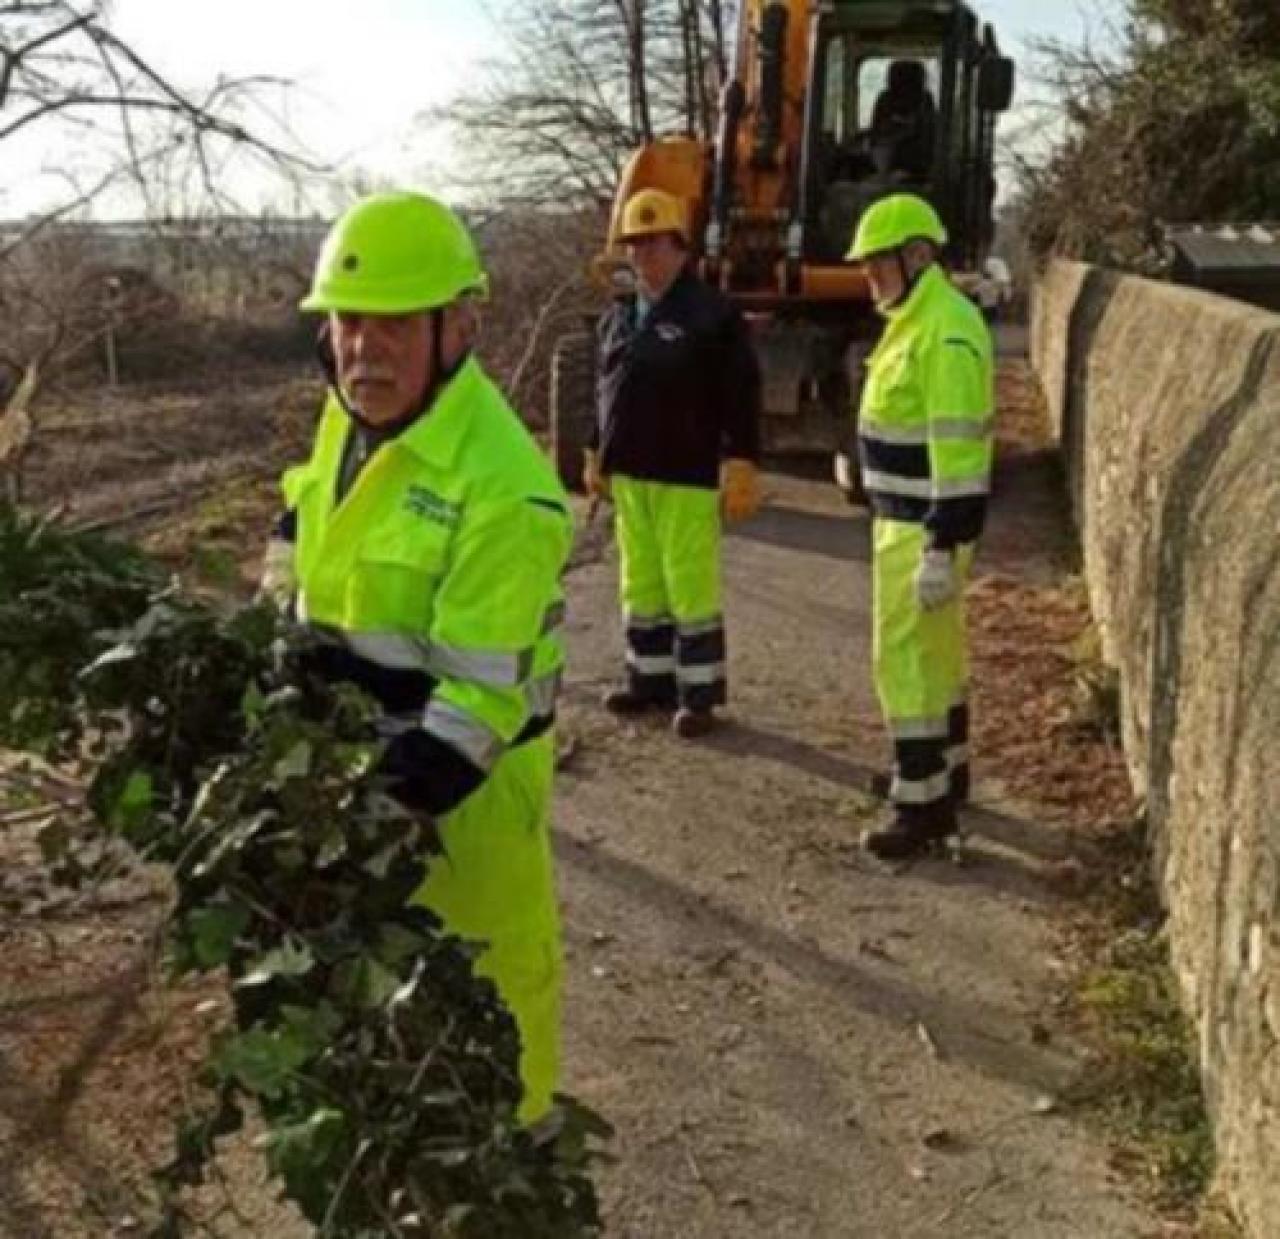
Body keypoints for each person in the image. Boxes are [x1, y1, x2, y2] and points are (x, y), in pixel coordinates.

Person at [262, 191, 573, 1122]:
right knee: (377, 1066)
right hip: (357, 784)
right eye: (350, 321)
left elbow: (470, 716)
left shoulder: (505, 490)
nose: (366, 347)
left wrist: (350, 829)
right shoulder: (351, 417)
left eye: (396, 322)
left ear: (460, 325)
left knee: (485, 1058)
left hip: (460, 818)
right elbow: (309, 522)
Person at [846, 194, 994, 860]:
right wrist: (862, 472)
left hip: (921, 533)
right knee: (935, 660)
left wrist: (940, 544)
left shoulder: (944, 329)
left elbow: (959, 456)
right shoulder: (916, 317)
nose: (869, 277)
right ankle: (942, 777)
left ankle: (919, 805)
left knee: (906, 664)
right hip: (902, 522)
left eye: (878, 263)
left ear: (917, 256)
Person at [585, 187, 764, 739]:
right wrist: (595, 451)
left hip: (685, 472)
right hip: (631, 474)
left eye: (654, 244)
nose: (643, 256)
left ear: (681, 248)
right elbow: (604, 389)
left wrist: (741, 460)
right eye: (634, 246)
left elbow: (741, 392)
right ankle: (649, 682)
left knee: (689, 586)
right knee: (641, 583)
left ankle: (699, 695)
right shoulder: (617, 318)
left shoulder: (712, 315)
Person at [869, 59, 936, 181]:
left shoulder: (925, 101)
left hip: (919, 166)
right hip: (887, 165)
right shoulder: (885, 101)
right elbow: (877, 137)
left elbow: (930, 136)